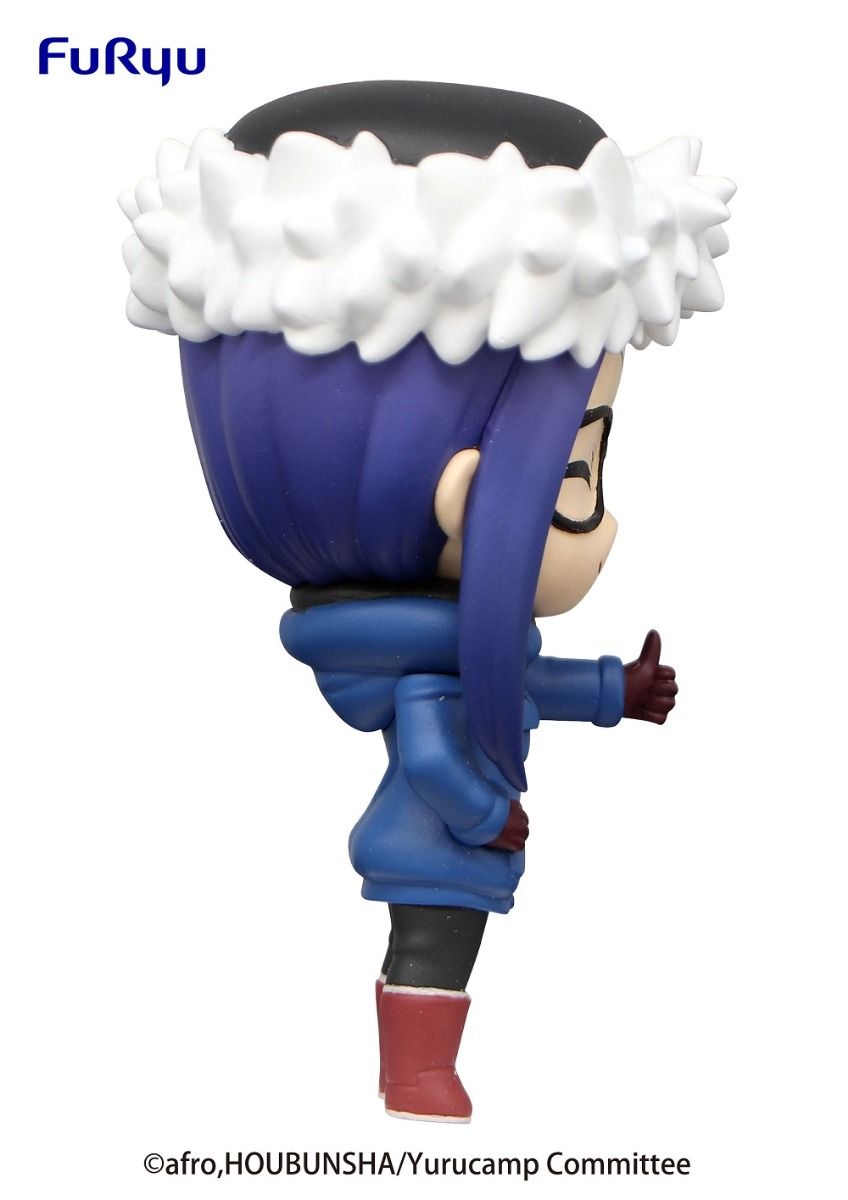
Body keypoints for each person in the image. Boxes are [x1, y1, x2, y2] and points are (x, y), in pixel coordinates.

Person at [121, 80, 733, 1121]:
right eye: (572, 478)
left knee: (442, 947)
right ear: (462, 493)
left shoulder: (456, 652)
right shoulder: (433, 677)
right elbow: (436, 754)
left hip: (455, 840)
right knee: (434, 949)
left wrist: (613, 691)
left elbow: (526, 681)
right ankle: (414, 1076)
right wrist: (490, 815)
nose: (603, 525)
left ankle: (415, 1071)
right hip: (442, 841)